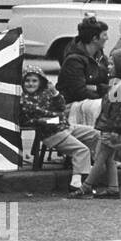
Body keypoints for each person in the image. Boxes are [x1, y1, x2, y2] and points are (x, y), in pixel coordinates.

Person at [74, 47, 121, 198]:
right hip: (113, 128)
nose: (109, 67)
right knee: (109, 158)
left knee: (101, 158)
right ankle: (113, 188)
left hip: (113, 129)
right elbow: (117, 105)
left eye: (112, 64)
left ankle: (86, 187)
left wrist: (114, 129)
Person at [20, 65, 98, 193]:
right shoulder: (25, 100)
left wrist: (55, 93)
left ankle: (93, 165)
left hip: (65, 126)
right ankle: (76, 182)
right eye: (27, 81)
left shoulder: (45, 93)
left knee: (95, 134)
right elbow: (43, 116)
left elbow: (61, 105)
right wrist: (58, 116)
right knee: (81, 150)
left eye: (34, 81)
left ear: (41, 82)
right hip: (52, 133)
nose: (30, 84)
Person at [58, 18, 110, 127]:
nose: (107, 38)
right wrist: (104, 98)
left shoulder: (100, 57)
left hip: (94, 101)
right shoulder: (74, 60)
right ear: (95, 38)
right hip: (71, 106)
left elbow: (109, 84)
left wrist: (97, 87)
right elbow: (79, 92)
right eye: (104, 35)